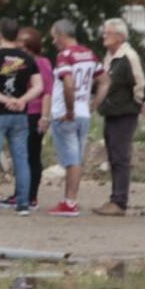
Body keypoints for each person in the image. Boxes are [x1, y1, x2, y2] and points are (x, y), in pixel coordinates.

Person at [0, 18, 42, 216]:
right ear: (17, 35)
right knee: (21, 158)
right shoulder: (28, 59)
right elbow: (39, 86)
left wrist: (4, 99)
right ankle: (23, 203)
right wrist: (21, 100)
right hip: (20, 115)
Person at [45, 19, 102, 218]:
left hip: (66, 113)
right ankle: (69, 199)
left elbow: (68, 84)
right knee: (76, 157)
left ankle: (70, 202)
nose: (53, 41)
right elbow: (105, 80)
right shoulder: (89, 54)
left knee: (72, 159)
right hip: (83, 112)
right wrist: (94, 103)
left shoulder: (65, 56)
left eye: (54, 37)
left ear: (62, 35)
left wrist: (69, 110)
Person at [92, 17, 145, 216]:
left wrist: (139, 103)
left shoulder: (128, 57)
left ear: (120, 36)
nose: (104, 36)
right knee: (114, 156)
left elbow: (140, 83)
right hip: (111, 112)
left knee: (121, 157)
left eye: (108, 33)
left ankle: (119, 201)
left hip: (124, 113)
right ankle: (115, 199)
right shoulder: (109, 57)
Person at [14, 26, 54, 211]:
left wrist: (44, 117)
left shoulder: (42, 63)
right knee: (20, 155)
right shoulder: (20, 62)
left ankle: (31, 196)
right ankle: (19, 192)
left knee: (32, 155)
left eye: (24, 46)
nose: (20, 50)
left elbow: (47, 92)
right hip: (21, 112)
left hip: (35, 113)